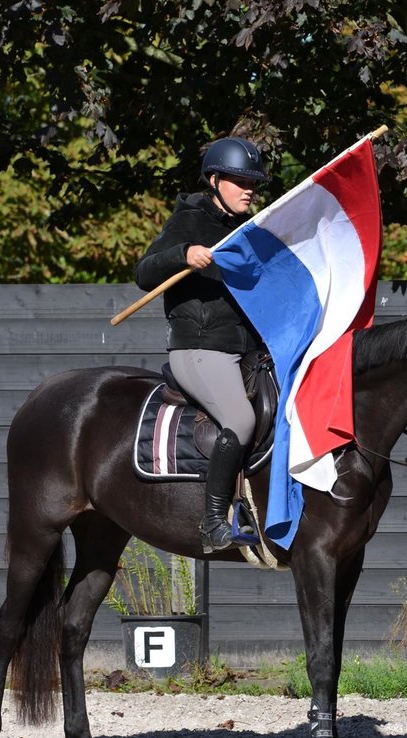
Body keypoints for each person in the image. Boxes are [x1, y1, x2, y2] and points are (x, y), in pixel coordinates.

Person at [134, 137, 269, 553]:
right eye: (239, 181)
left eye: (254, 183)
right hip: (200, 349)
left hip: (248, 351)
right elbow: (144, 272)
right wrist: (183, 253)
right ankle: (213, 522)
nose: (249, 189)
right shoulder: (189, 219)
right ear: (214, 180)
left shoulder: (248, 229)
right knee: (241, 420)